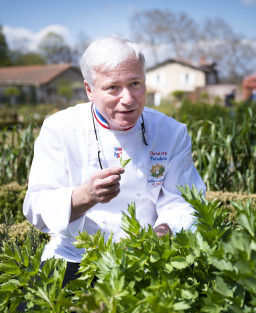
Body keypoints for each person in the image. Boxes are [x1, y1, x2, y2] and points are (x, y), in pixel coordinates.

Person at [23, 35, 206, 285]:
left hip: (147, 254)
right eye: (113, 88)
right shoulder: (60, 128)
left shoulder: (171, 132)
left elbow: (184, 201)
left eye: (135, 83)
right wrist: (84, 195)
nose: (128, 98)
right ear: (89, 90)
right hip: (74, 256)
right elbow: (36, 205)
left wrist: (161, 235)